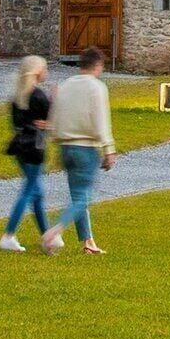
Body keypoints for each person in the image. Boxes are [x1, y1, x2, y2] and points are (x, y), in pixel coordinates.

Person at [45, 47, 117, 254]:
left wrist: (56, 140)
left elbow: (54, 116)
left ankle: (89, 242)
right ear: (97, 66)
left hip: (65, 147)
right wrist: (108, 149)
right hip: (86, 148)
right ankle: (54, 232)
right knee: (82, 198)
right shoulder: (97, 87)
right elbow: (101, 121)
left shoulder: (66, 85)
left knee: (78, 196)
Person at [0, 56, 56, 252]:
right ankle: (8, 235)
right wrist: (55, 102)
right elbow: (50, 122)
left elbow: (17, 123)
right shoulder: (38, 95)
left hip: (20, 147)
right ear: (37, 72)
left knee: (37, 193)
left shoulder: (18, 96)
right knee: (29, 191)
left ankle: (47, 234)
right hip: (35, 148)